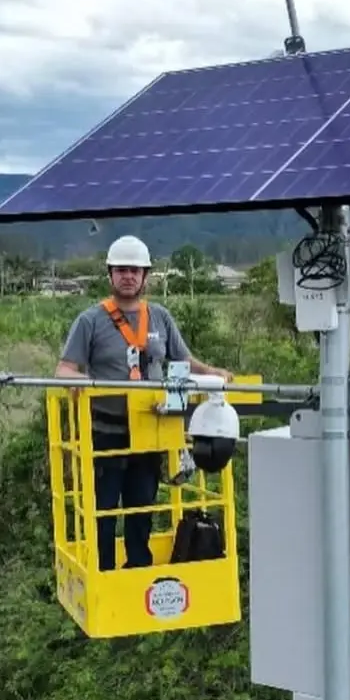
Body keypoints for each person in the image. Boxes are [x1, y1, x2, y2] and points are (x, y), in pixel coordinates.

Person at [55, 235, 231, 571]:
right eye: (121, 270)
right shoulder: (90, 321)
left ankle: (138, 567)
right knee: (103, 510)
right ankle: (103, 570)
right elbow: (65, 368)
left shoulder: (160, 318)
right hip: (106, 434)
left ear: (146, 276)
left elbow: (183, 359)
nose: (128, 276)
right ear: (110, 275)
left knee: (142, 507)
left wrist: (212, 373)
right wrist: (76, 381)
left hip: (151, 430)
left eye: (135, 271)